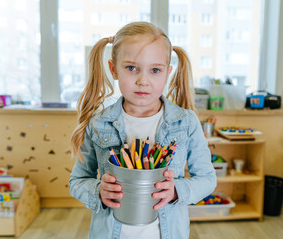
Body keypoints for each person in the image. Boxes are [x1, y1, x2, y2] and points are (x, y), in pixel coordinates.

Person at [69, 21, 217, 239]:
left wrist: (176, 190)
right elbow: (77, 181)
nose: (143, 81)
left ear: (167, 73)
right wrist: (97, 191)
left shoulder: (186, 122)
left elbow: (207, 178)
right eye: (131, 68)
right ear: (113, 69)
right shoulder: (98, 123)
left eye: (155, 70)